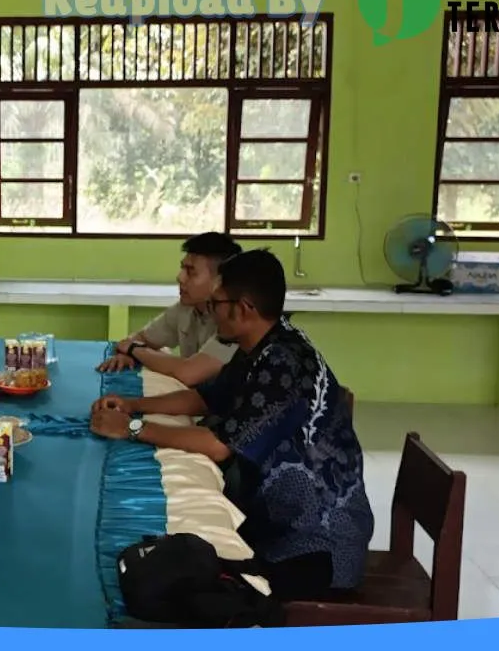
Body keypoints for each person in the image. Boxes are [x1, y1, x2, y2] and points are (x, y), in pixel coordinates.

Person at [88, 249, 373, 601]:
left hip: (315, 544)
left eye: (217, 303)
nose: (211, 311)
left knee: (192, 594)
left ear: (244, 308)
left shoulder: (282, 363)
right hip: (276, 524)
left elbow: (218, 444)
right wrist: (133, 405)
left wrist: (131, 428)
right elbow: (205, 398)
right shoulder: (264, 344)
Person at [97, 232, 243, 388]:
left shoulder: (233, 319)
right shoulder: (185, 309)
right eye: (182, 268)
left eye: (191, 271)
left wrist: (134, 350)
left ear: (220, 280)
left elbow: (190, 373)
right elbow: (141, 338)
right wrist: (126, 354)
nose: (180, 277)